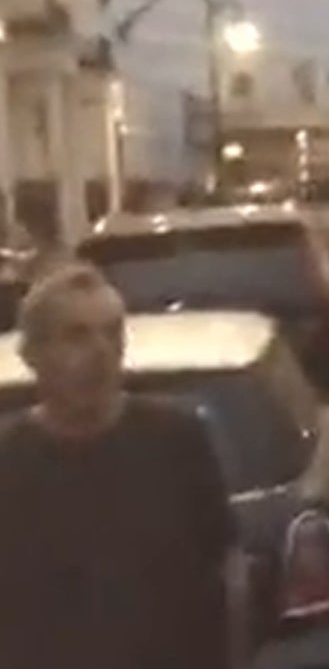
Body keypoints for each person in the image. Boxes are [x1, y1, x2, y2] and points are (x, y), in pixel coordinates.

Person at [0, 264, 235, 669]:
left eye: (112, 333)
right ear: (33, 355)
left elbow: (226, 565)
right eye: (77, 336)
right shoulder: (10, 460)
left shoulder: (177, 440)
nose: (100, 352)